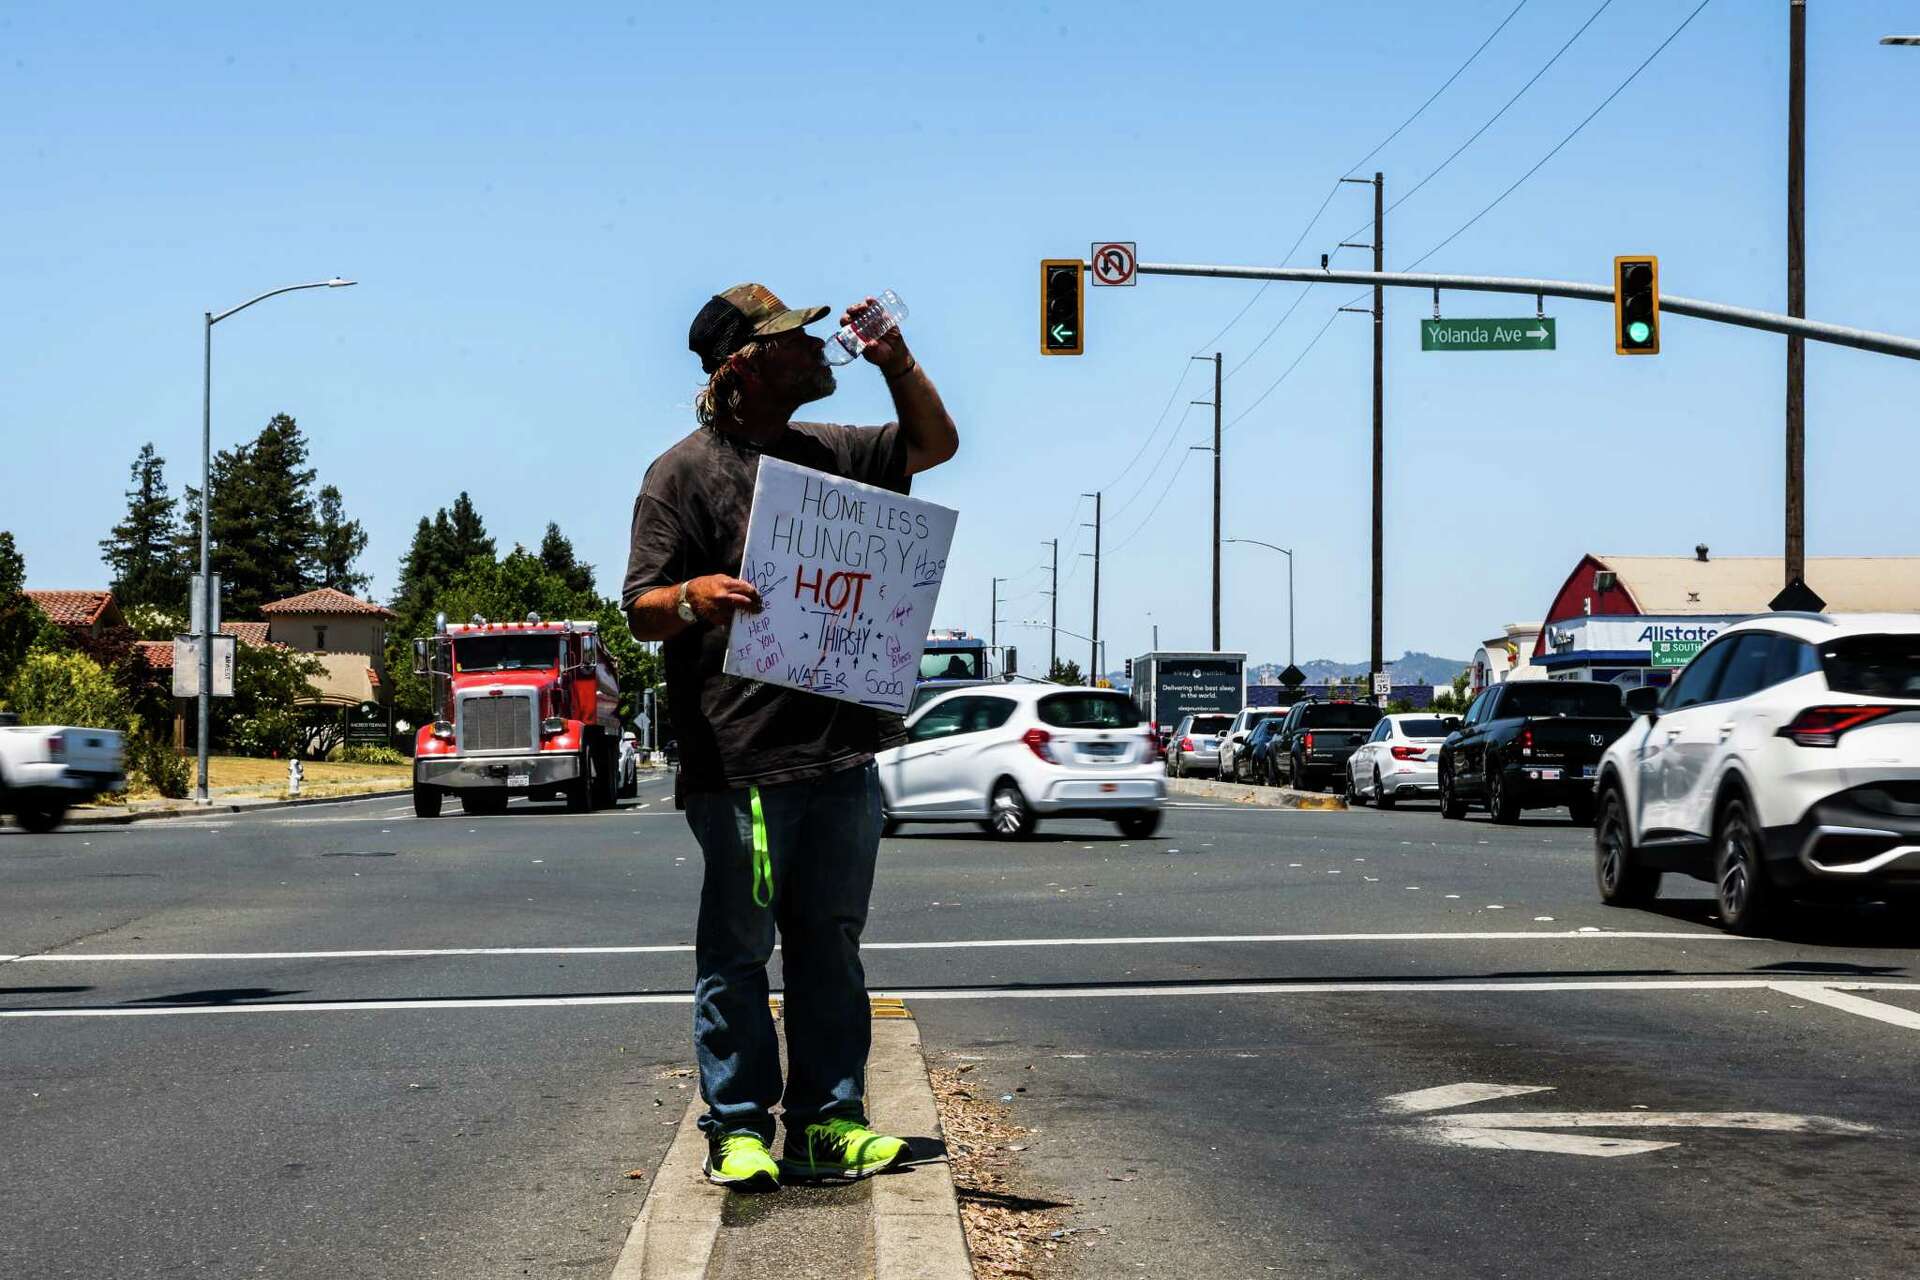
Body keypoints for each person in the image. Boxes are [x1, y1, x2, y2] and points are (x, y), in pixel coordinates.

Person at [622, 283, 959, 1191]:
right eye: (795, 342)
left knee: (829, 944)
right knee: (739, 950)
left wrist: (897, 359)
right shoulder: (681, 474)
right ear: (744, 366)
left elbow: (934, 445)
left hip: (843, 752)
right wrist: (694, 596)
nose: (819, 351)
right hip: (742, 761)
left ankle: (825, 1124)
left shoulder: (833, 453)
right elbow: (641, 606)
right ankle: (735, 1128)